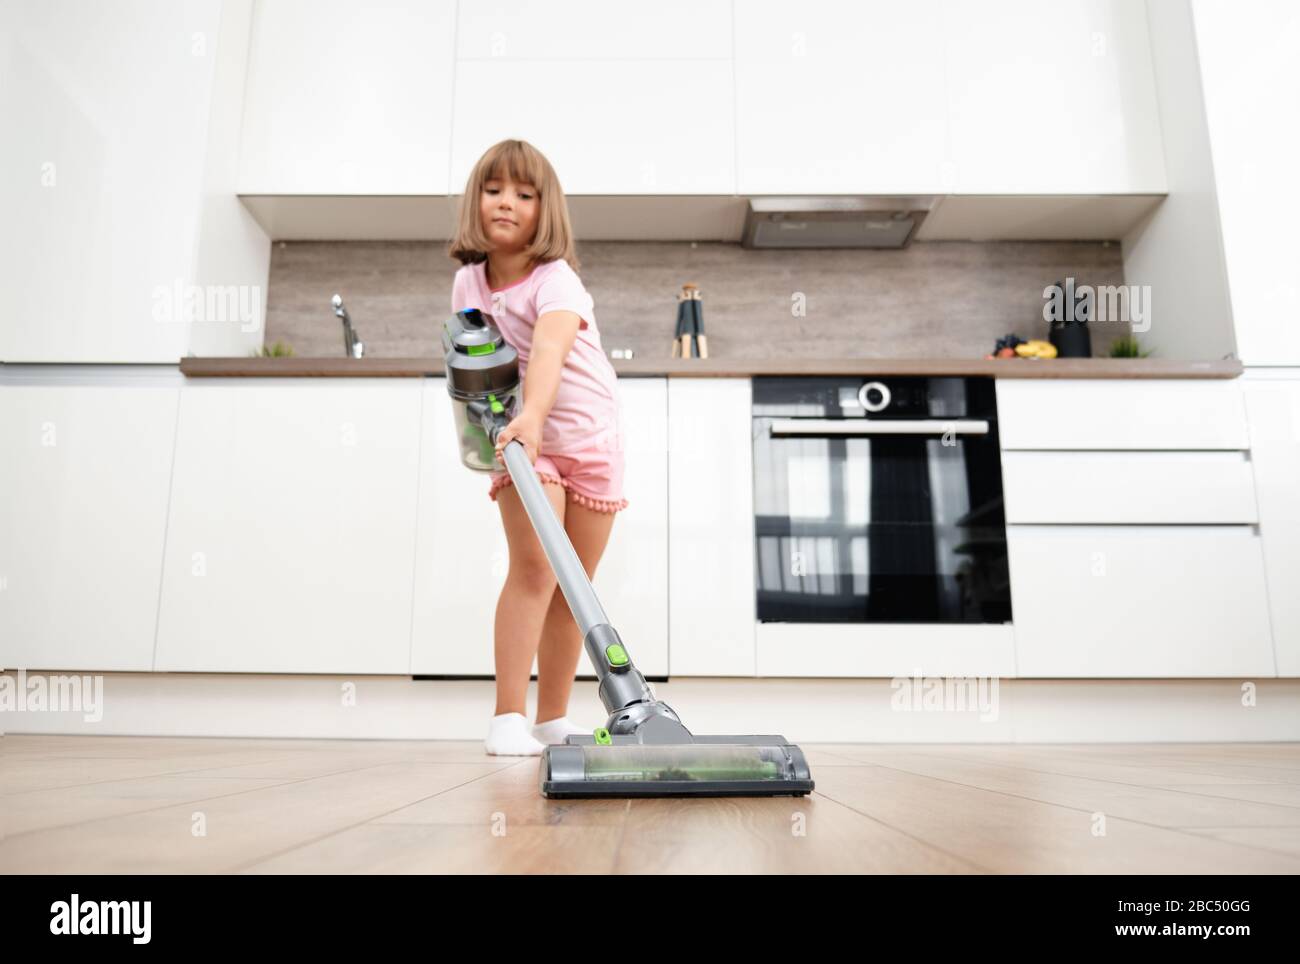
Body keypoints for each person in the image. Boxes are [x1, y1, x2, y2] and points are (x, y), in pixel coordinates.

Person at [448, 139, 628, 756]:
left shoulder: (557, 279)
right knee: (535, 569)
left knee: (576, 584)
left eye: (524, 195)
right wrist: (506, 430)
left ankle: (552, 719)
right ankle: (506, 717)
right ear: (476, 200)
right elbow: (477, 364)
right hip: (527, 439)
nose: (507, 202)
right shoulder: (469, 280)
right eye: (494, 189)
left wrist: (537, 411)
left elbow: (548, 350)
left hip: (591, 437)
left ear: (544, 210)